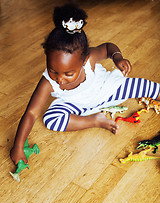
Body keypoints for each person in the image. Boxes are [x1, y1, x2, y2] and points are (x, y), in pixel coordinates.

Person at [10, 4, 160, 165]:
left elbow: (108, 47)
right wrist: (18, 146)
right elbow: (31, 113)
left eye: (68, 74)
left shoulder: (90, 59)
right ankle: (95, 120)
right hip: (78, 106)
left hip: (108, 91)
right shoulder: (48, 81)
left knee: (148, 87)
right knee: (51, 119)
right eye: (53, 70)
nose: (59, 79)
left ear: (83, 61)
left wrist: (118, 58)